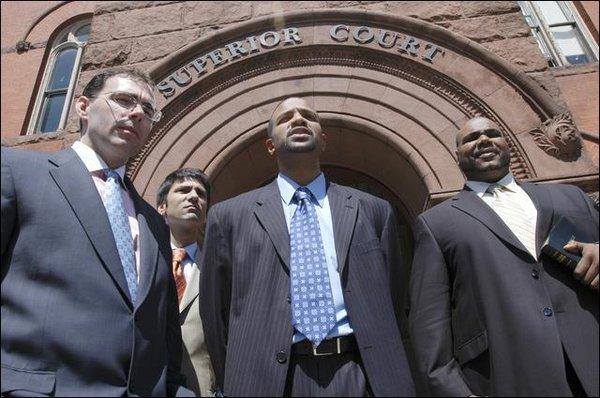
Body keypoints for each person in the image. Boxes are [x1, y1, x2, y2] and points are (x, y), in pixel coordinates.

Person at [199, 97, 415, 396]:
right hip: (268, 380)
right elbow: (216, 313)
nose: (299, 119)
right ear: (270, 145)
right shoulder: (229, 217)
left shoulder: (373, 210)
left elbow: (393, 296)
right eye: (286, 117)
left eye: (308, 116)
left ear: (323, 140)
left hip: (359, 371)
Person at [1, 68, 194, 397]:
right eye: (124, 100)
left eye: (148, 110)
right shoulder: (18, 173)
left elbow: (165, 335)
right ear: (83, 107)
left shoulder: (154, 223)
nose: (137, 113)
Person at [408, 116, 599, 397]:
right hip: (508, 377)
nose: (483, 139)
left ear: (506, 142)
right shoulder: (436, 224)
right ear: (456, 155)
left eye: (492, 133)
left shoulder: (571, 198)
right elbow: (429, 323)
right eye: (471, 138)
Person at [157, 168, 215, 397]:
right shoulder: (142, 261)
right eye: (183, 190)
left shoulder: (217, 269)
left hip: (200, 389)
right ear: (162, 206)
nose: (193, 197)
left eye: (201, 194)